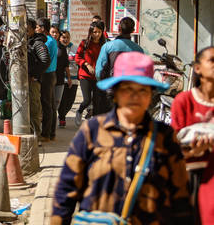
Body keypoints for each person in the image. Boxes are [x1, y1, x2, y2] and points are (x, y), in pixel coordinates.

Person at [50, 52, 192, 224]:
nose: (135, 97)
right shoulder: (92, 131)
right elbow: (66, 191)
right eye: (127, 89)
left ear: (151, 96)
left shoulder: (165, 137)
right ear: (115, 92)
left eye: (142, 90)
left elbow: (181, 199)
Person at [171, 45, 214, 224]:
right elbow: (173, 149)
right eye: (212, 61)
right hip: (189, 177)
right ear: (197, 68)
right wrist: (192, 152)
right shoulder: (184, 100)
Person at [75, 20, 105, 124]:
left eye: (99, 32)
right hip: (85, 76)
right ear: (90, 32)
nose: (96, 35)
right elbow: (77, 57)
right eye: (94, 32)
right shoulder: (85, 43)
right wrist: (86, 64)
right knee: (87, 100)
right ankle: (79, 111)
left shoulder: (104, 45)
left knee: (97, 102)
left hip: (98, 77)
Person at [27, 18, 51, 138]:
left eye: (27, 28)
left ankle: (36, 136)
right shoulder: (26, 42)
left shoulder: (37, 43)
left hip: (33, 82)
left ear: (32, 29)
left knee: (34, 108)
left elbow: (45, 60)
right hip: (22, 81)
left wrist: (35, 75)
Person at [57, 30, 78, 128]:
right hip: (62, 79)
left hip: (73, 79)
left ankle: (63, 114)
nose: (65, 39)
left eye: (67, 37)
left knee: (71, 100)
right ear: (60, 38)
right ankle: (62, 118)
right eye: (63, 37)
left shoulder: (75, 48)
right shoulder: (57, 48)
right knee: (62, 100)